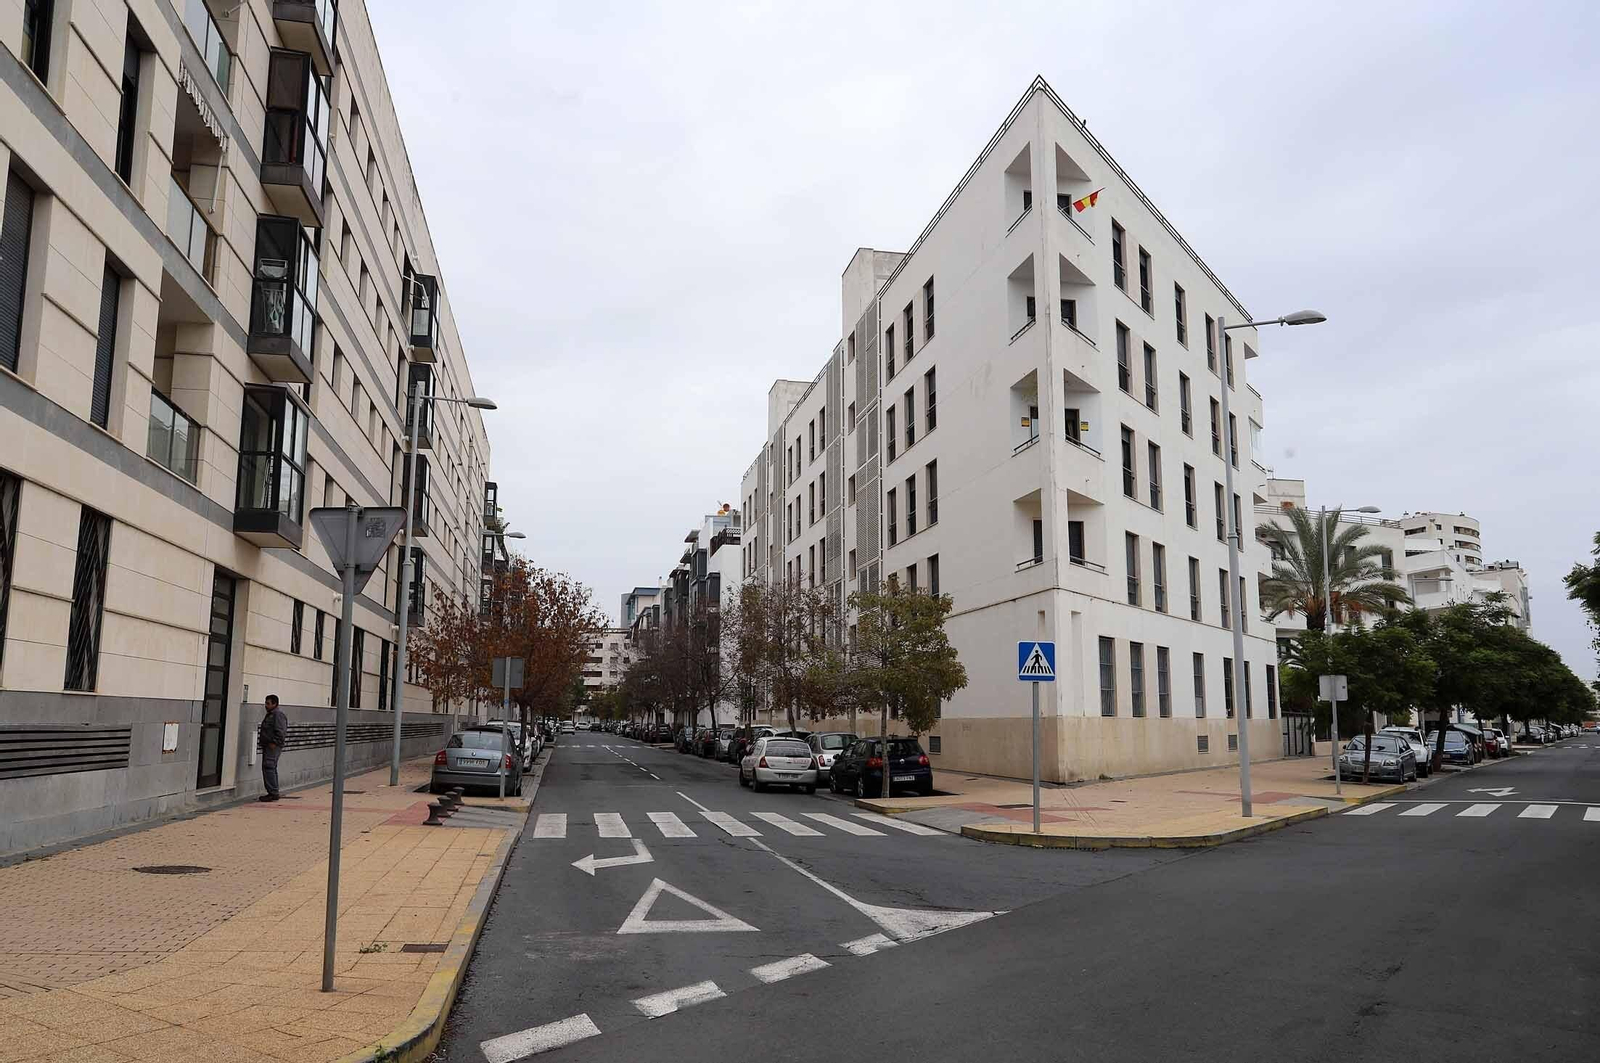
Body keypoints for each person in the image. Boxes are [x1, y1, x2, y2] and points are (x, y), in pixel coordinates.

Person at [258, 695, 288, 801]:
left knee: (269, 767)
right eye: (266, 703)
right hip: (268, 745)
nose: (266, 705)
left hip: (272, 746)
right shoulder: (270, 714)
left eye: (268, 703)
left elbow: (281, 731)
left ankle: (273, 792)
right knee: (269, 767)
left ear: (274, 704)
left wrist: (274, 743)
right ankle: (272, 791)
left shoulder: (277, 715)